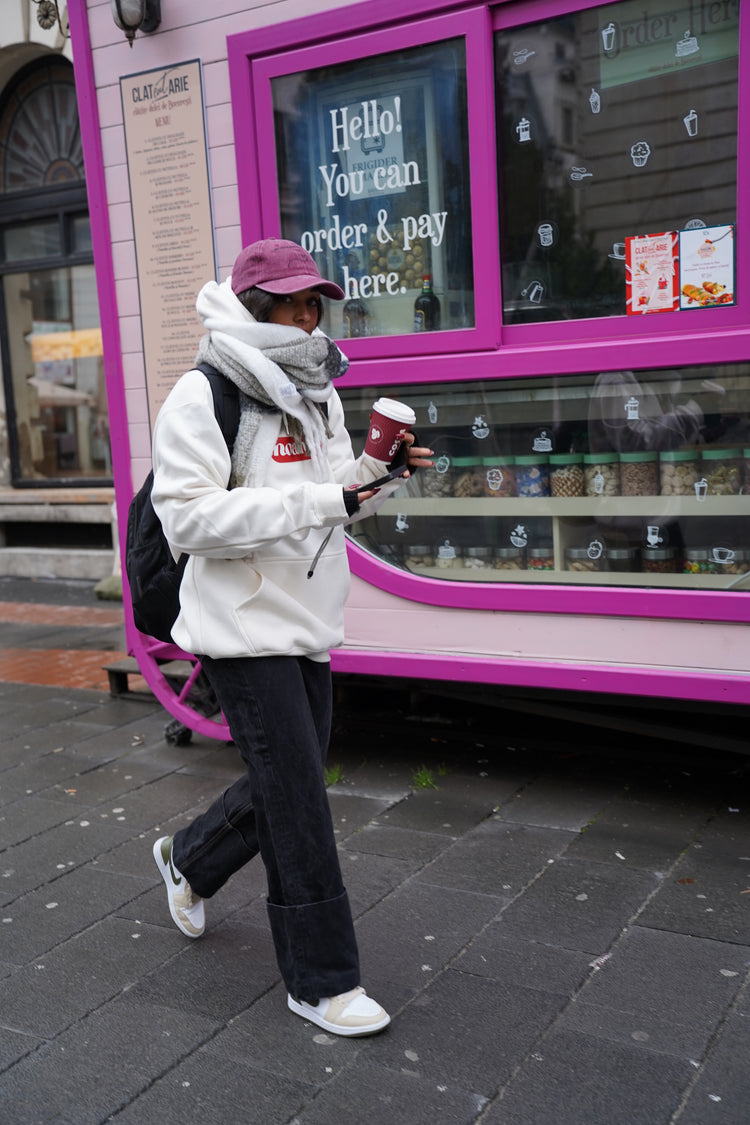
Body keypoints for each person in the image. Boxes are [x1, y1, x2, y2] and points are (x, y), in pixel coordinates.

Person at [149, 238, 432, 1037]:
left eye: (316, 303)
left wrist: (380, 479)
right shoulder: (203, 395)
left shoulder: (315, 393)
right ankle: (322, 979)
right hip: (241, 628)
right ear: (254, 306)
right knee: (301, 798)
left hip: (308, 621)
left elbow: (336, 499)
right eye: (293, 303)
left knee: (288, 778)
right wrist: (320, 499)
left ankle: (190, 859)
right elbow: (189, 519)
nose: (310, 317)